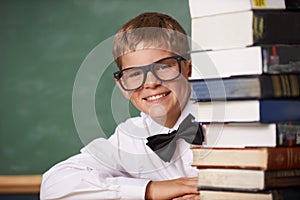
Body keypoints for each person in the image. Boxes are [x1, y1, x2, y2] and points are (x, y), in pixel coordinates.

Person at [40, 12, 203, 200]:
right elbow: (53, 186)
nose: (150, 83)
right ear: (123, 87)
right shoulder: (128, 138)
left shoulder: (229, 121)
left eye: (163, 67)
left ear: (188, 69)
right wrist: (150, 190)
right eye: (134, 74)